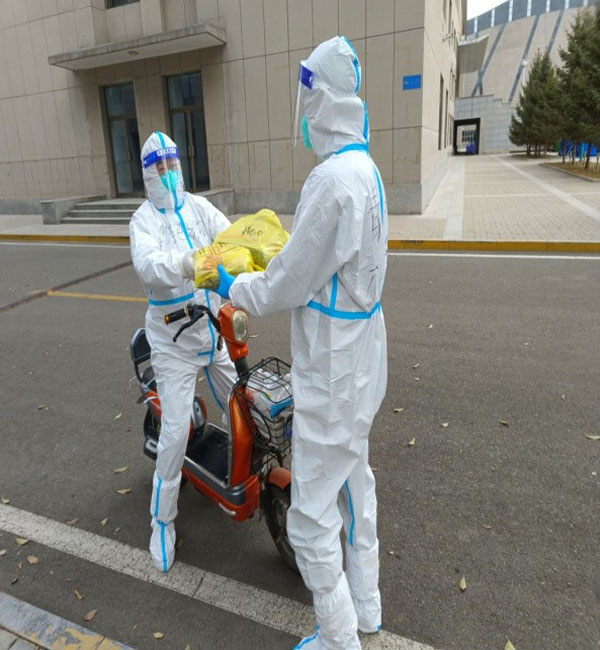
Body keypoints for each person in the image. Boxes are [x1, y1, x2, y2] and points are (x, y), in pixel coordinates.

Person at [214, 36, 388, 650]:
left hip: (334, 366)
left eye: (307, 100)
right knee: (356, 486)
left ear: (321, 101)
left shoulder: (331, 179)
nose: (305, 114)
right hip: (363, 356)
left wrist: (235, 285)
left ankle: (339, 639)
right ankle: (366, 609)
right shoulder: (366, 170)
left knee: (312, 522)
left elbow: (287, 281)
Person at [129, 131, 237, 573]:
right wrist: (186, 263)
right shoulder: (143, 221)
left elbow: (229, 235)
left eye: (173, 164)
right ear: (147, 174)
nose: (169, 173)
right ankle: (162, 520)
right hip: (173, 342)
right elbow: (148, 267)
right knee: (175, 432)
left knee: (246, 404)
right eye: (160, 167)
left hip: (212, 331)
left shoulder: (197, 207)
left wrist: (256, 247)